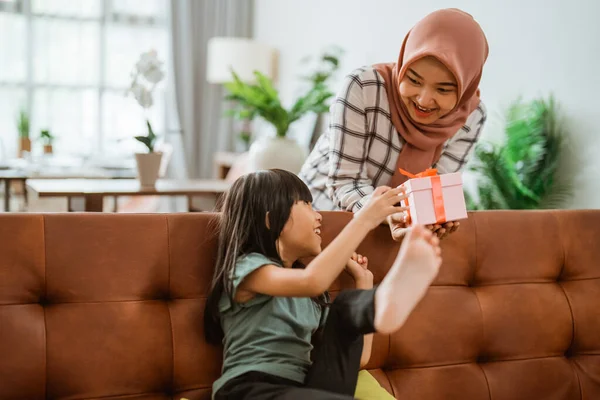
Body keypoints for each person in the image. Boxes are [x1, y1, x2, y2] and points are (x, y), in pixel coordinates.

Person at [205, 169, 442, 399]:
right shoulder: (247, 270)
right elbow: (312, 281)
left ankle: (382, 302)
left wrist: (363, 281)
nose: (318, 215)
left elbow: (357, 359)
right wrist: (366, 218)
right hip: (249, 390)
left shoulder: (313, 297)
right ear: (270, 219)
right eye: (306, 204)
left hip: (308, 389)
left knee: (345, 308)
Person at [299, 8, 489, 241]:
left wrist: (435, 216)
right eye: (413, 80)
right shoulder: (364, 87)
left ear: (466, 85)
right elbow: (345, 180)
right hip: (319, 216)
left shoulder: (471, 116)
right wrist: (390, 214)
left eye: (443, 89)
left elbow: (434, 189)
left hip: (392, 230)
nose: (423, 100)